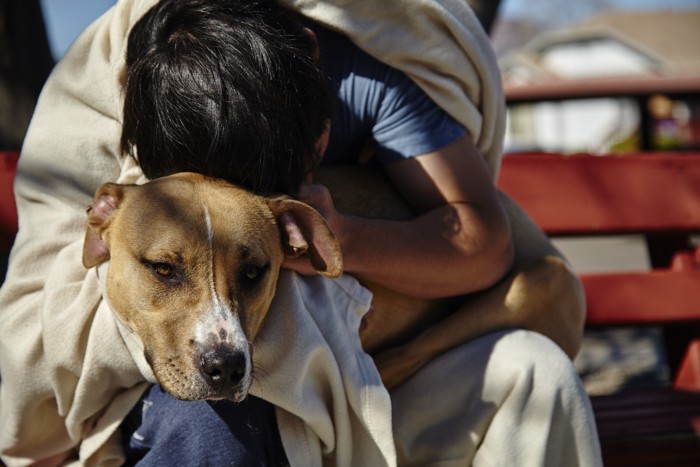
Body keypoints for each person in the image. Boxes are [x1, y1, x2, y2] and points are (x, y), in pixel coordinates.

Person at [0, 0, 601, 465]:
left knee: (537, 375)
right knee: (208, 420)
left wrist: (340, 238)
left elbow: (483, 239)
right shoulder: (118, 88)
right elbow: (45, 305)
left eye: (291, 169)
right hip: (207, 401)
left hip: (393, 370)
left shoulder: (369, 81)